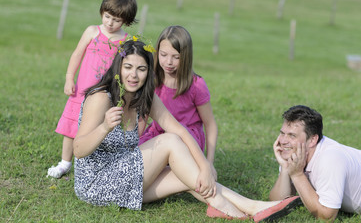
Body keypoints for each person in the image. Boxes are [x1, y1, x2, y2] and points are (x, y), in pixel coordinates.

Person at [73, 39, 301, 222]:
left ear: (148, 72)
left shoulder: (144, 97)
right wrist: (104, 127)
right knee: (169, 142)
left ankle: (249, 209)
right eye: (128, 67)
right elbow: (78, 149)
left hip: (125, 176)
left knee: (188, 174)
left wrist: (205, 167)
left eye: (141, 69)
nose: (134, 75)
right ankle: (233, 206)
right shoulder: (102, 98)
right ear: (118, 68)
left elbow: (181, 130)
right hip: (97, 184)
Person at [47, 0, 137, 178]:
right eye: (107, 16)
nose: (110, 23)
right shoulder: (92, 32)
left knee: (96, 128)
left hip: (104, 96)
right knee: (71, 128)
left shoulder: (125, 41)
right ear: (102, 12)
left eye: (117, 20)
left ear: (126, 21)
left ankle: (91, 164)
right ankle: (65, 162)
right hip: (81, 92)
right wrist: (69, 78)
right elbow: (77, 54)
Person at [139, 25, 217, 165]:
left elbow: (210, 125)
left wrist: (209, 162)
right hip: (158, 134)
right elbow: (142, 118)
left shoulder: (196, 85)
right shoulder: (152, 79)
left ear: (186, 57)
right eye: (163, 55)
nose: (169, 62)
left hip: (187, 140)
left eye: (176, 57)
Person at [269, 105, 361, 221]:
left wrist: (297, 175)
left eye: (292, 135)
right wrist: (285, 168)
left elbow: (326, 217)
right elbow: (276, 204)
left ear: (312, 140)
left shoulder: (330, 158)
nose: (282, 141)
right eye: (282, 133)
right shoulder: (295, 153)